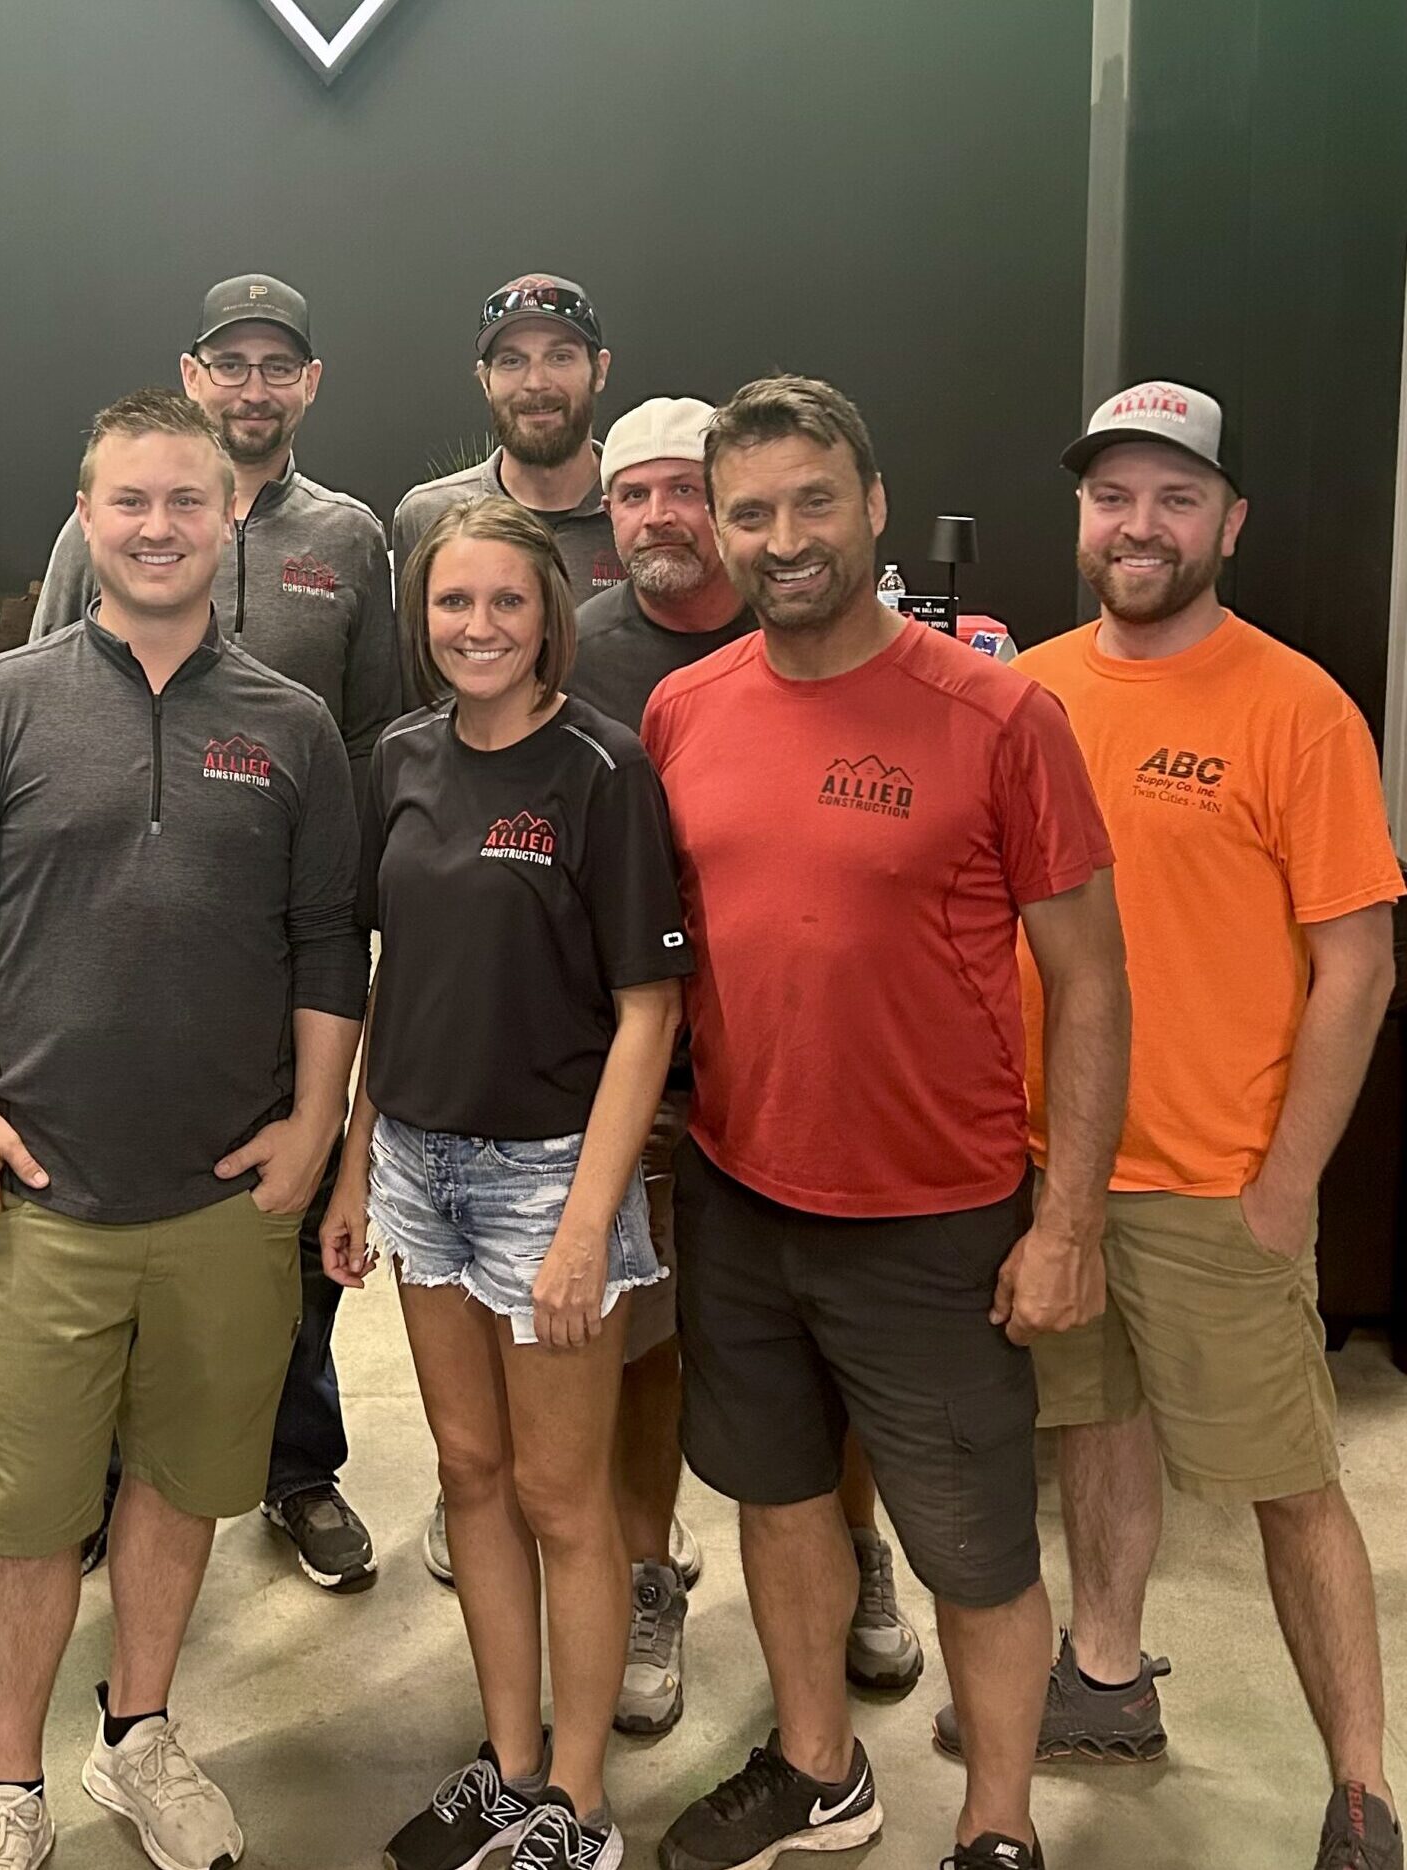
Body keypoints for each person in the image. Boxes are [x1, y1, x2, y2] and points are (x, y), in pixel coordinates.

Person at [645, 377, 1129, 1870]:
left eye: (813, 501)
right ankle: (818, 1769)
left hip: (936, 1219)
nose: (784, 538)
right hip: (738, 1191)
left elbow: (1092, 980)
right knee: (779, 1496)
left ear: (873, 506)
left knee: (973, 1549)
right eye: (751, 512)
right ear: (719, 530)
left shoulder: (999, 713)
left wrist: (1068, 1222)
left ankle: (996, 1826)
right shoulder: (684, 708)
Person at [0, 388, 366, 1870]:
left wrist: (317, 1123)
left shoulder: (292, 726)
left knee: (182, 1479)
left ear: (228, 519)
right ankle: (10, 1785)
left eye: (186, 501)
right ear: (87, 517)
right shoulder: (1, 702)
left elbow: (328, 938)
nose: (159, 527)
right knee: (28, 1511)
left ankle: (137, 1733)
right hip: (40, 1193)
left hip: (226, 1198)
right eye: (130, 502)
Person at [933, 382, 1402, 1870]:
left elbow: (1359, 964)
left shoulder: (1296, 706)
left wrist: (1287, 1184)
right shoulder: (1026, 693)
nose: (1141, 526)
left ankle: (1363, 1792)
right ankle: (1108, 1677)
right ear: (1082, 515)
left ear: (1230, 523)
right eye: (1114, 496)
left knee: (1289, 1484)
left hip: (1217, 1180)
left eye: (1177, 497)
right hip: (1052, 1169)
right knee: (1096, 1425)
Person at [323, 496, 692, 1870]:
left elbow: (649, 1009)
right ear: (421, 618)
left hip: (550, 1178)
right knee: (470, 1471)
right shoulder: (400, 759)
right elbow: (393, 977)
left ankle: (579, 1807)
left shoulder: (603, 769)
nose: (477, 626)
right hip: (418, 1166)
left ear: (550, 618)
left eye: (506, 602)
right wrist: (356, 1163)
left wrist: (590, 1222)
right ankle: (512, 1762)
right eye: (452, 602)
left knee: (558, 1493)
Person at [559, 397, 924, 1741]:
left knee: (833, 1358)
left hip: (813, 1076)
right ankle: (649, 1573)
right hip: (649, 1078)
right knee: (645, 1349)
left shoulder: (820, 628)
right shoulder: (582, 652)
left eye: (684, 491)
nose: (664, 517)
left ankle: (858, 1548)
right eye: (635, 494)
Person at [29, 274, 397, 1592]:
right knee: (132, 1205)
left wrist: (360, 919)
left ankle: (295, 1463)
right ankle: (107, 1472)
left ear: (310, 384)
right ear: (192, 376)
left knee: (288, 1200)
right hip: (127, 935)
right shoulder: (106, 522)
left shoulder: (350, 538)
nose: (251, 386)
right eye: (228, 363)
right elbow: (46, 702)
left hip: (291, 937)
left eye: (275, 365)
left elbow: (376, 737)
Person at [391, 276, 626, 635]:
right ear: (485, 380)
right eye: (512, 361)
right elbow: (414, 665)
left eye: (560, 357)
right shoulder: (426, 517)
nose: (536, 383)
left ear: (600, 370)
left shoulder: (640, 512)